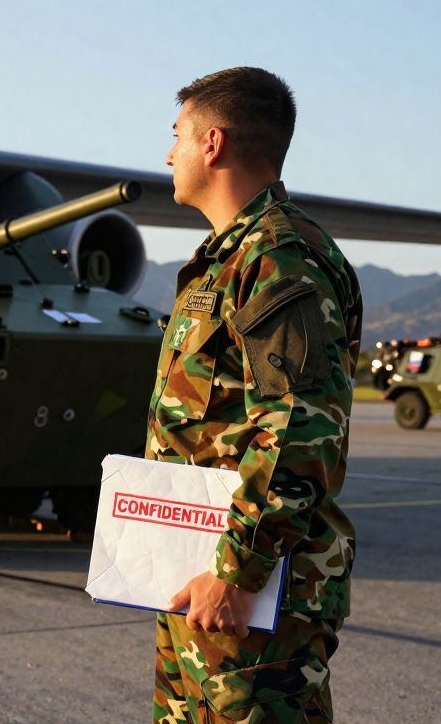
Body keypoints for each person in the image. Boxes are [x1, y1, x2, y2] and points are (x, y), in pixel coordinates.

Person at [146, 67, 362, 723]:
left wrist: (238, 572)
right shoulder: (227, 258)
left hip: (253, 595)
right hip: (206, 579)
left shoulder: (280, 259)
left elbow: (300, 427)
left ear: (212, 144)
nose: (167, 153)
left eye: (177, 135)